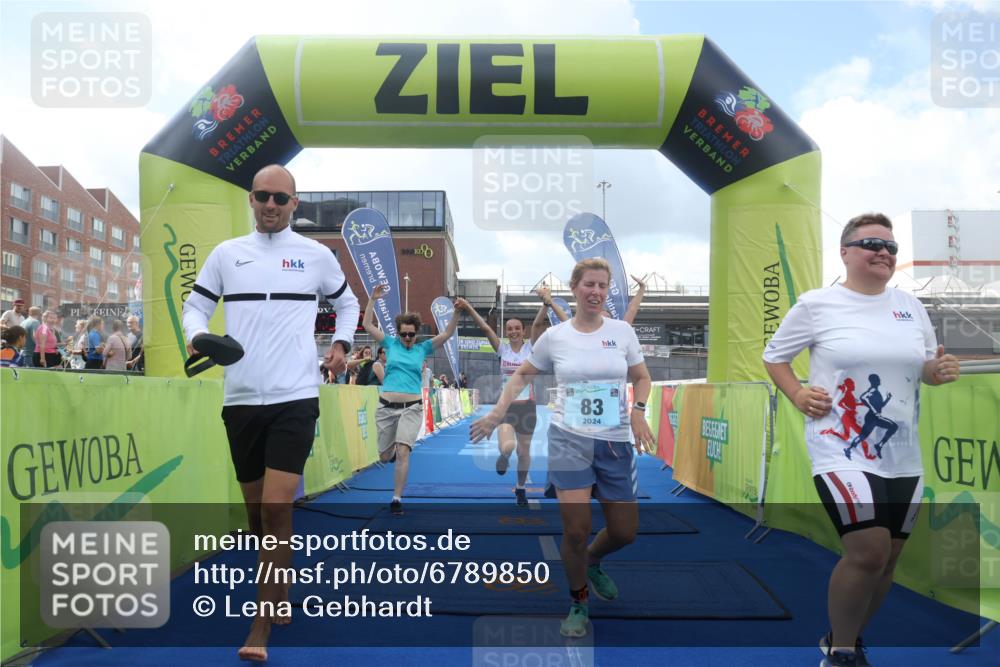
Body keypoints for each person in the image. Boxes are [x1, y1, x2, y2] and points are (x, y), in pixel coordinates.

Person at [762, 213, 960, 667]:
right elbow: (775, 357)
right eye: (871, 243)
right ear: (845, 252)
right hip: (839, 449)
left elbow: (927, 368)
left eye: (890, 247)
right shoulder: (817, 305)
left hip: (903, 456)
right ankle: (843, 655)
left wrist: (938, 372)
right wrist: (796, 392)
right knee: (868, 550)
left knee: (887, 560)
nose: (883, 252)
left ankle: (842, 636)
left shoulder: (910, 306)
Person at [182, 164, 360, 662]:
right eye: (263, 196)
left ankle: (261, 623)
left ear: (294, 204)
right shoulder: (226, 254)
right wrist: (199, 335)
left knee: (278, 508)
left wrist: (342, 344)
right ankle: (279, 583)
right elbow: (194, 307)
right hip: (240, 399)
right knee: (258, 516)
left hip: (295, 397)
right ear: (251, 198)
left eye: (281, 198)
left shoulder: (316, 255)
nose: (271, 205)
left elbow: (349, 307)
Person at [470, 258, 655, 638]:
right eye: (589, 284)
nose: (596, 292)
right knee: (575, 530)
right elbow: (522, 374)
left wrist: (638, 411)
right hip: (568, 438)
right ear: (574, 289)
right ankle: (578, 600)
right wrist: (497, 414)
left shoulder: (622, 332)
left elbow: (641, 376)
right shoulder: (556, 337)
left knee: (624, 531)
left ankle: (592, 560)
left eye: (603, 286)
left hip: (615, 442)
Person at [364, 283, 466, 515]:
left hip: (411, 407)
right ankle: (389, 455)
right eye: (403, 334)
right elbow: (367, 325)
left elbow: (447, 334)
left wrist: (457, 313)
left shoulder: (422, 348)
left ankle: (397, 498)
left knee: (403, 451)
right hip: (386, 408)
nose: (408, 337)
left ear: (416, 333)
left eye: (411, 334)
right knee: (384, 455)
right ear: (398, 333)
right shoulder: (389, 343)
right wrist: (373, 299)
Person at [464, 285, 567, 506]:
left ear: (522, 330)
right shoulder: (502, 349)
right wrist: (468, 308)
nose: (513, 331)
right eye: (509, 328)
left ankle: (520, 489)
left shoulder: (532, 347)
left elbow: (539, 324)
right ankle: (503, 457)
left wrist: (545, 303)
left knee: (524, 452)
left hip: (527, 406)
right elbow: (484, 328)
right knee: (509, 447)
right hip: (507, 407)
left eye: (517, 328)